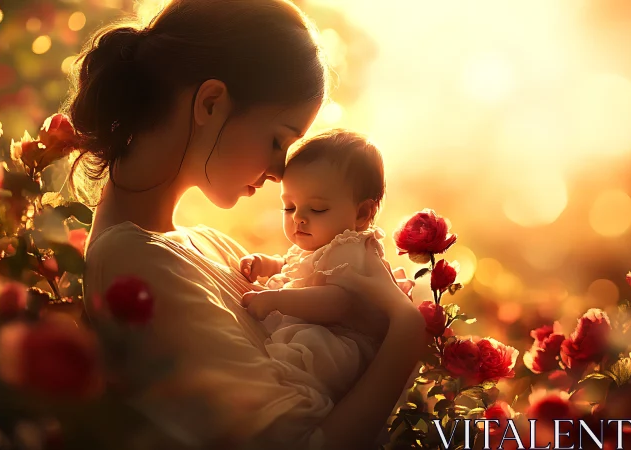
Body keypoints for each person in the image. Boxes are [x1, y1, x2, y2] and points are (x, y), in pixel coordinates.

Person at [71, 1, 426, 449]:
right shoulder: (132, 260)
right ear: (212, 103)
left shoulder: (208, 245)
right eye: (280, 140)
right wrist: (406, 330)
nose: (281, 172)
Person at [238, 130, 414, 403]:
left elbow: (338, 302)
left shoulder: (353, 249)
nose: (298, 218)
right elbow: (294, 265)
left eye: (317, 209)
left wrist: (278, 299)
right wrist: (266, 263)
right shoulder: (323, 243)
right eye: (289, 207)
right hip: (313, 326)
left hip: (339, 341)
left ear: (361, 214)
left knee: (301, 361)